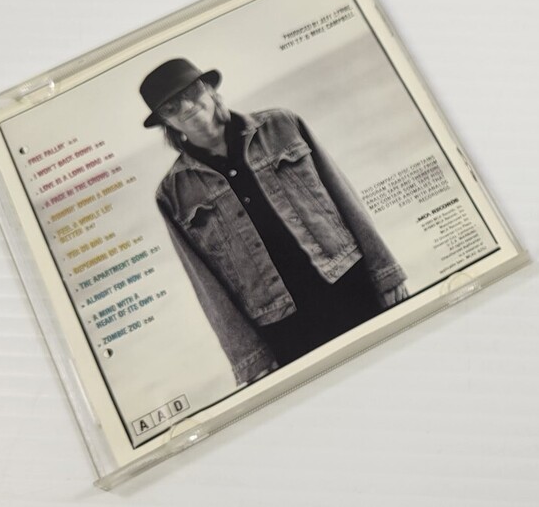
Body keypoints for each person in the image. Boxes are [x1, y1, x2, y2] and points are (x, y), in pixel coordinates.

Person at [140, 58, 408, 385]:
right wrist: (249, 359)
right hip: (285, 327)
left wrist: (386, 273)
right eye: (170, 107)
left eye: (191, 92)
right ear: (165, 122)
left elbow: (346, 201)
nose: (186, 107)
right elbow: (206, 285)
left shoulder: (281, 126)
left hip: (350, 284)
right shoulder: (173, 193)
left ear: (208, 89)